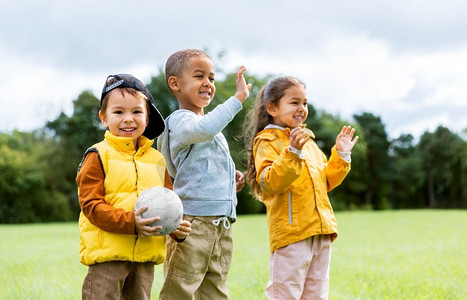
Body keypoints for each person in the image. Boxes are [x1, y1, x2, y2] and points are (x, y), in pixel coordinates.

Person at [76, 73, 192, 300]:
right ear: (104, 118)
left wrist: (176, 227)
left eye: (137, 112)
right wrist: (131, 222)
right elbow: (91, 206)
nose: (128, 119)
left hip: (144, 258)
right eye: (118, 112)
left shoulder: (157, 159)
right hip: (108, 258)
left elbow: (168, 203)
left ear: (147, 118)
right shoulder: (98, 154)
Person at [244, 76, 359, 300]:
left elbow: (325, 181)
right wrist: (292, 152)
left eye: (305, 103)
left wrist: (342, 155)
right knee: (285, 295)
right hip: (291, 235)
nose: (302, 108)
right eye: (294, 102)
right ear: (272, 108)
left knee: (316, 296)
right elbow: (270, 181)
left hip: (321, 232)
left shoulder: (309, 143)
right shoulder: (267, 142)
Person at [157, 49, 251, 299]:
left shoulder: (204, 125)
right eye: (199, 76)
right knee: (181, 287)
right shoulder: (179, 121)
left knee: (215, 289)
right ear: (175, 84)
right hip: (193, 222)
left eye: (211, 78)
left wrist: (232, 177)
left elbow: (206, 161)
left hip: (221, 222)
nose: (208, 83)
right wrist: (238, 98)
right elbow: (205, 129)